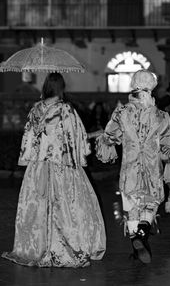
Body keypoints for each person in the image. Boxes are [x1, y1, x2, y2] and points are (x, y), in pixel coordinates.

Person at [2, 72, 106, 268]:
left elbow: (28, 140)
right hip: (63, 168)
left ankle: (36, 247)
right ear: (62, 87)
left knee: (37, 207)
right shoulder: (65, 110)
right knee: (68, 208)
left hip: (38, 169)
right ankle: (66, 248)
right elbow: (78, 139)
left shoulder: (35, 109)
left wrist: (28, 161)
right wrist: (95, 134)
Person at [95, 69, 170, 264]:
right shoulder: (162, 116)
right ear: (152, 88)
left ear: (133, 85)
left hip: (130, 168)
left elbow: (109, 137)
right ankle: (141, 235)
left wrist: (105, 142)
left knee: (132, 207)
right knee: (150, 205)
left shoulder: (121, 112)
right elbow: (167, 146)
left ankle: (137, 242)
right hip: (152, 168)